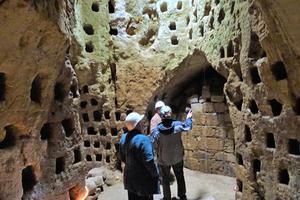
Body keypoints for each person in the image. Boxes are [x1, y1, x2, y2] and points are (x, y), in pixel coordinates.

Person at [151, 106, 193, 200]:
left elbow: (154, 145)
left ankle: (167, 197)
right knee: (180, 176)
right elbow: (188, 126)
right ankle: (182, 195)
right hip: (177, 157)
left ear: (161, 116)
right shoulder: (177, 125)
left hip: (164, 159)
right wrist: (189, 117)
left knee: (165, 179)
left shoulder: (157, 131)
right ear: (171, 114)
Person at [119, 112, 160, 200]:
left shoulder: (123, 138)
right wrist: (155, 174)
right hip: (143, 180)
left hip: (129, 178)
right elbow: (149, 161)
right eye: (141, 122)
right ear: (137, 125)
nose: (142, 124)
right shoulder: (144, 140)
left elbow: (122, 157)